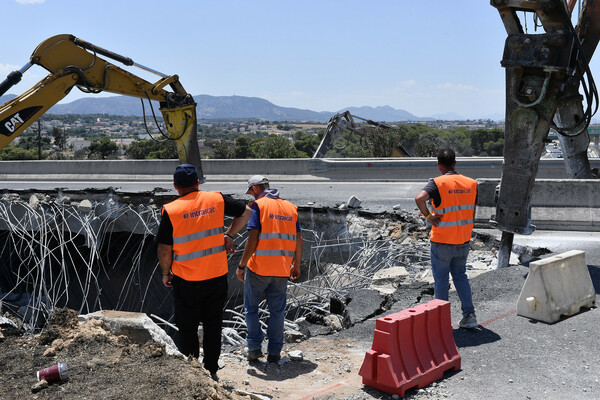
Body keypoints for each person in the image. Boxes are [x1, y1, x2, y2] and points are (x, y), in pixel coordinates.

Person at [157, 164, 251, 377]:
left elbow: (164, 248)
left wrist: (165, 272)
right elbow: (246, 213)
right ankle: (211, 368)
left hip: (187, 279)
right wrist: (230, 235)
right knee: (213, 324)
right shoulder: (215, 199)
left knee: (187, 326)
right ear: (198, 183)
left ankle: (193, 371)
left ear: (175, 186)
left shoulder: (172, 210)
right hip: (216, 276)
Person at [237, 175, 302, 363]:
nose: (251, 197)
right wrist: (296, 264)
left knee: (250, 309)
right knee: (277, 311)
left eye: (251, 192)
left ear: (256, 189)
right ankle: (274, 352)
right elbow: (299, 238)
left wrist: (242, 265)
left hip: (259, 267)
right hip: (282, 269)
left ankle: (255, 348)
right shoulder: (291, 208)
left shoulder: (260, 206)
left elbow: (253, 238)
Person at [414, 148, 478, 329]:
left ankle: (441, 322)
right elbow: (471, 211)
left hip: (442, 240)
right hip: (463, 240)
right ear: (455, 163)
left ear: (439, 165)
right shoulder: (471, 183)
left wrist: (428, 216)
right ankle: (469, 315)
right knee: (460, 277)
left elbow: (419, 198)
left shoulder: (437, 183)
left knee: (441, 280)